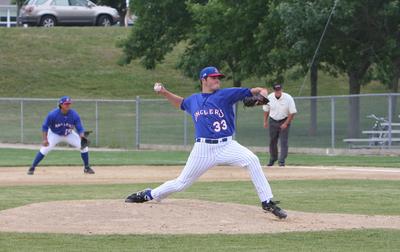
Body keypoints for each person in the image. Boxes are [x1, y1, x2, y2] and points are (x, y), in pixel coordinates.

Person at [125, 66, 287, 219]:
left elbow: (259, 90)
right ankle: (150, 194)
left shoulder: (226, 94)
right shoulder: (194, 100)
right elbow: (181, 103)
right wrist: (164, 92)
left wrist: (263, 95)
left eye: (219, 77)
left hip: (227, 145)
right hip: (203, 148)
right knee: (181, 183)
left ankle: (267, 202)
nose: (218, 80)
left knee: (252, 160)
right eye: (214, 77)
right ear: (204, 79)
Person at [27, 96, 95, 175]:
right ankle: (32, 167)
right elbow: (45, 126)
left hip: (69, 134)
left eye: (69, 103)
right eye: (66, 104)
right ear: (61, 105)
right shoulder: (53, 114)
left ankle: (87, 168)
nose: (68, 105)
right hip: (54, 134)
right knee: (45, 149)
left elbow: (80, 128)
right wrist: (45, 139)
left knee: (84, 146)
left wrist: (82, 137)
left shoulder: (74, 115)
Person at [263, 83, 297, 167]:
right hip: (273, 120)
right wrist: (265, 121)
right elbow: (266, 110)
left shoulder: (288, 98)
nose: (278, 91)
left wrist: (286, 123)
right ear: (274, 90)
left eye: (279, 90)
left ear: (282, 89)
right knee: (272, 141)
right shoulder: (269, 97)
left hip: (284, 119)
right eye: (276, 90)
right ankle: (273, 158)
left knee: (283, 141)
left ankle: (282, 160)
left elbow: (292, 112)